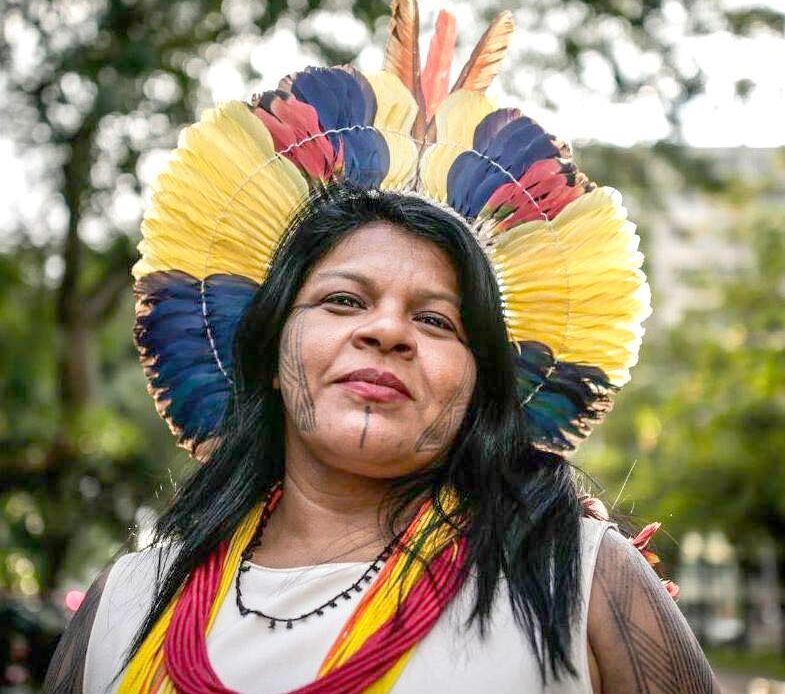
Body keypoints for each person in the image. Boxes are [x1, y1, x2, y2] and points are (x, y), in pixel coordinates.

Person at [44, 2, 721, 692]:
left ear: (479, 384)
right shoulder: (124, 605)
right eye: (343, 301)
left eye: (435, 321)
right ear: (271, 354)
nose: (388, 331)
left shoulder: (579, 577)